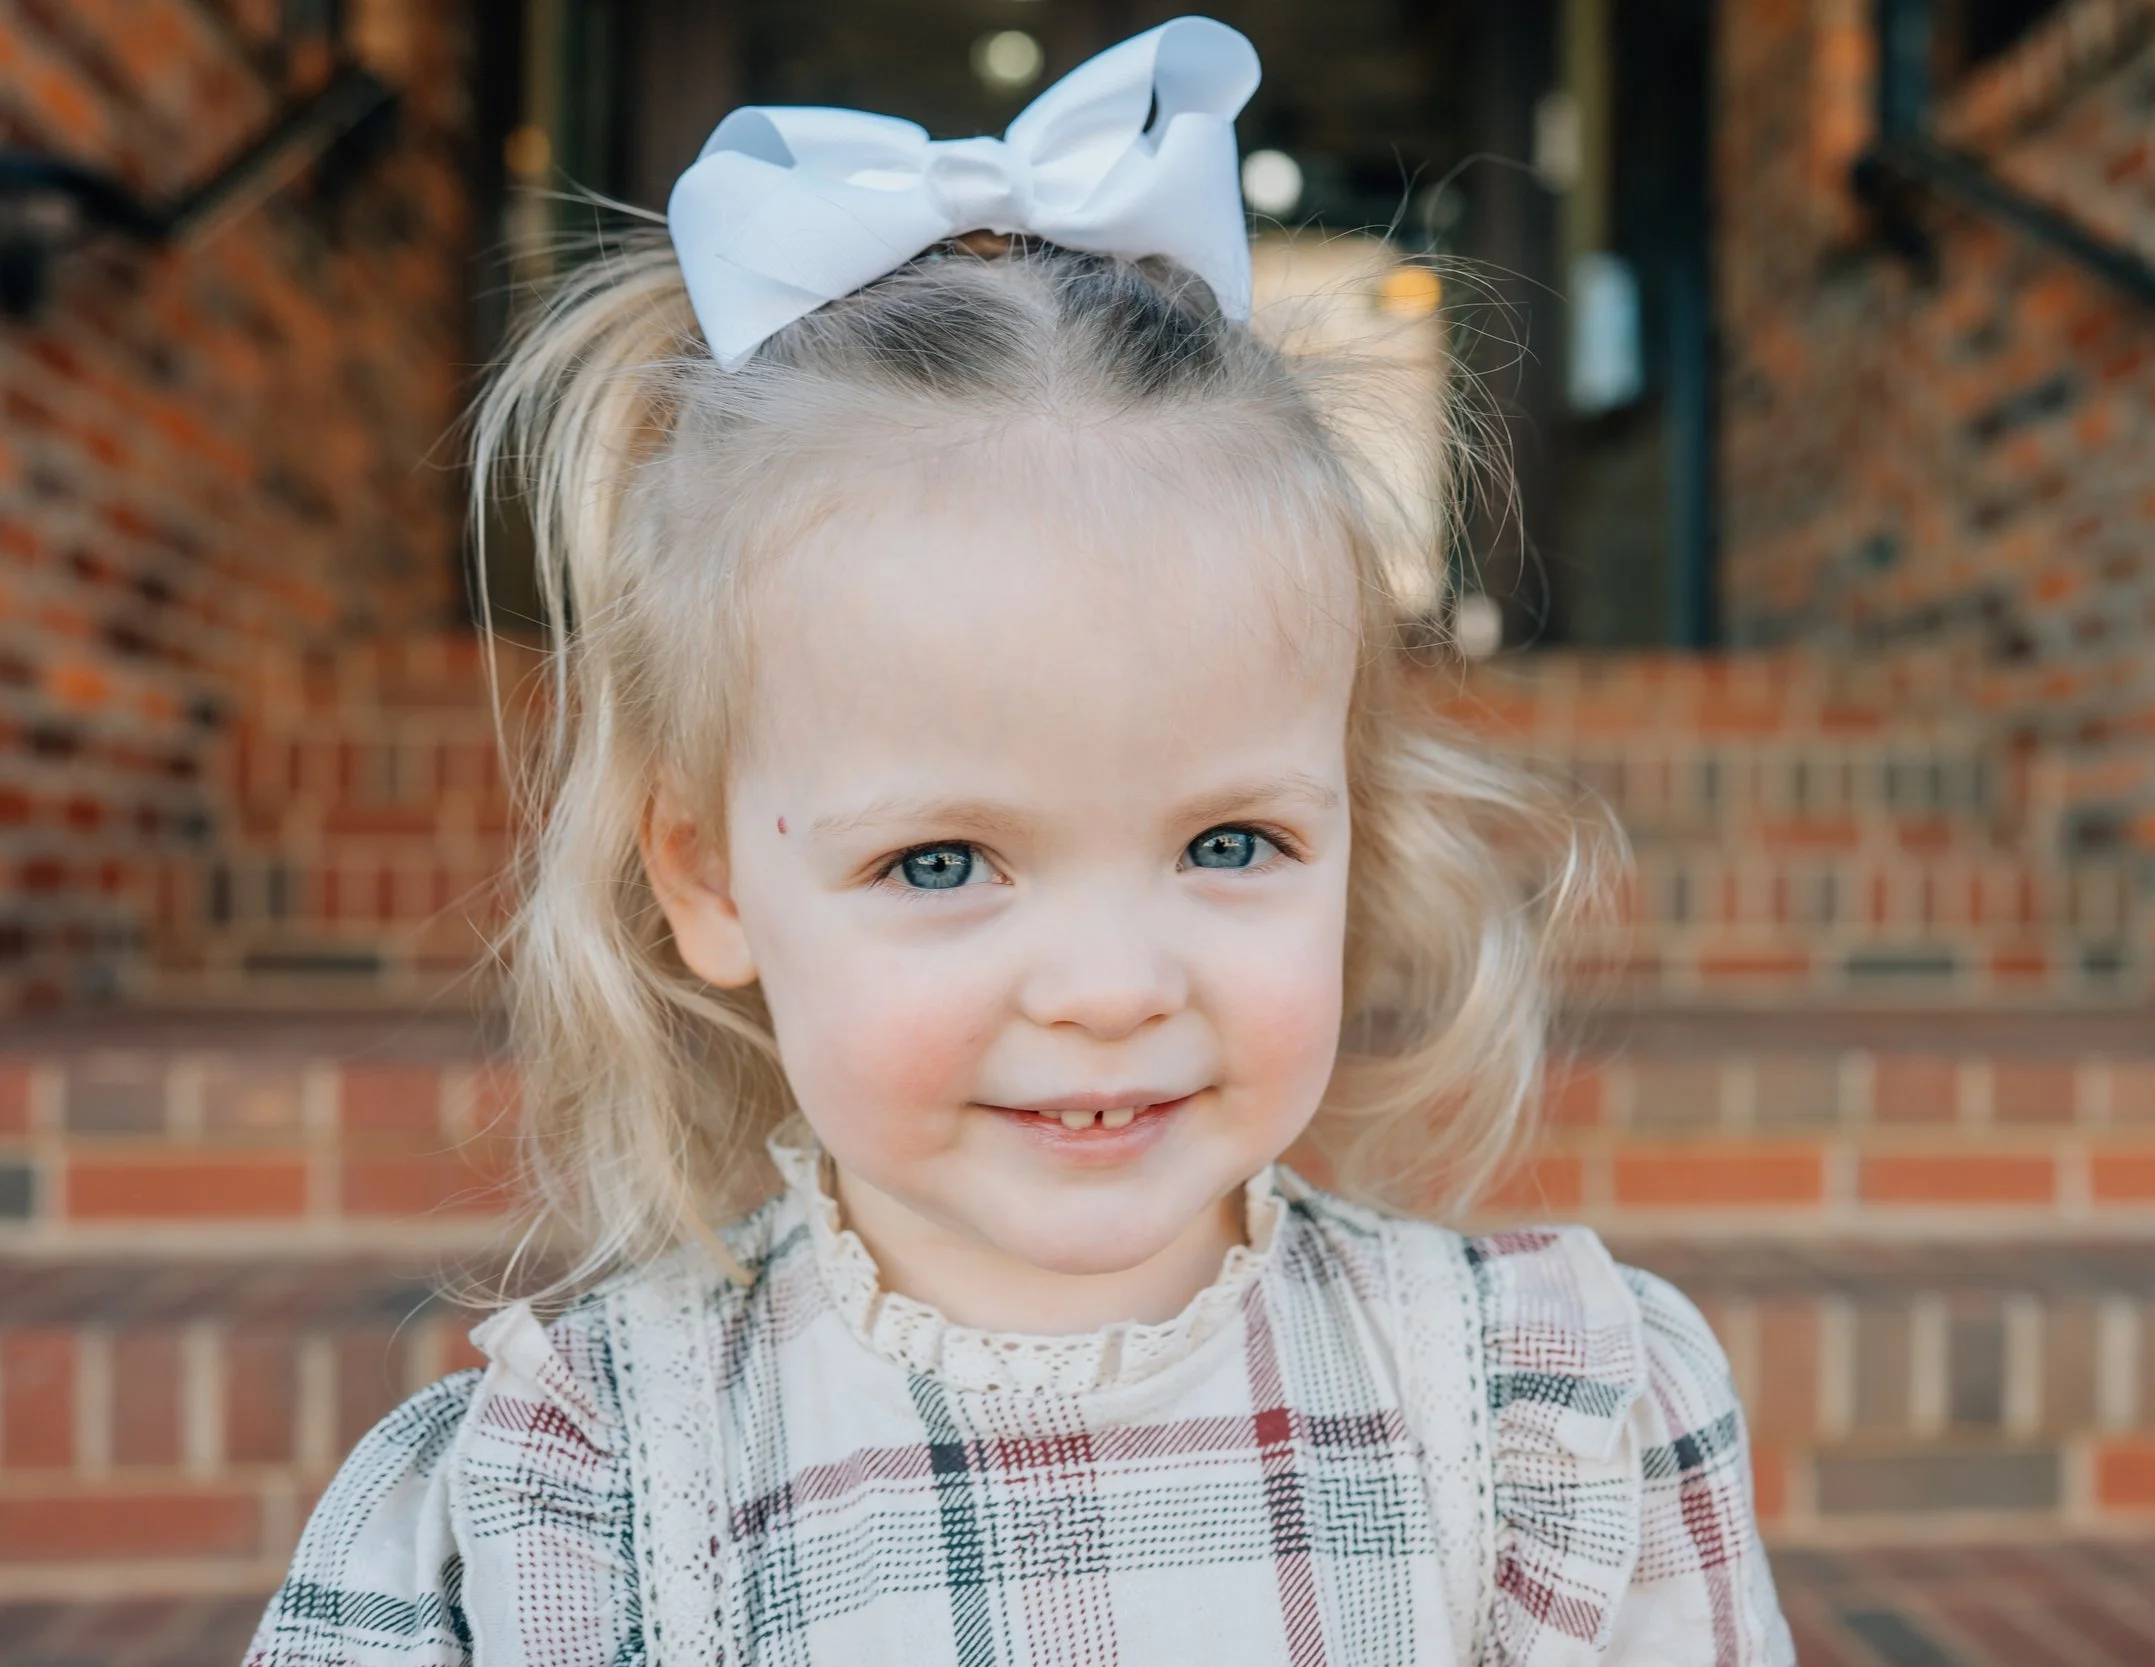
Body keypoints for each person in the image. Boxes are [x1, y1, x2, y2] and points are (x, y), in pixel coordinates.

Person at [246, 18, 1792, 1665]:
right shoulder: (561, 1505)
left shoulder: (1547, 1419)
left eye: (1230, 841)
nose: (1112, 989)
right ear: (706, 875)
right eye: (940, 862)